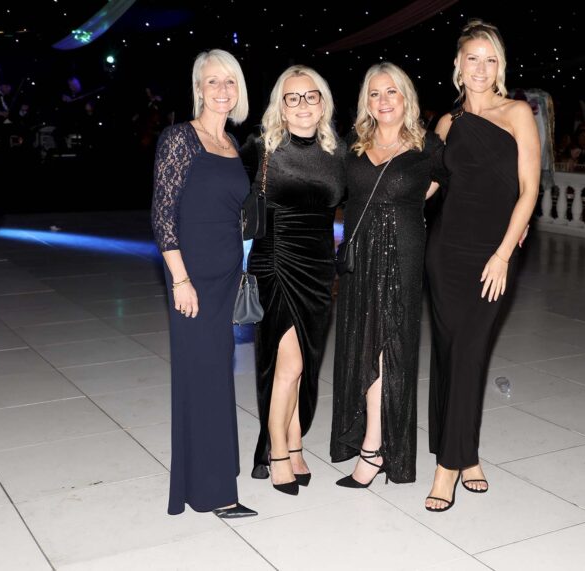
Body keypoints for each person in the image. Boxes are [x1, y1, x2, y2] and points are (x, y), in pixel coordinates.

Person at [424, 19, 540, 511]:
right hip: (444, 251)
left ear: (500, 66)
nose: (481, 68)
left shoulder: (517, 113)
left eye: (490, 60)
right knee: (449, 354)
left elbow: (529, 190)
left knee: (471, 353)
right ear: (458, 64)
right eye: (472, 58)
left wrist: (503, 253)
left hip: (493, 253)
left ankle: (447, 468)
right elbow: (428, 186)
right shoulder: (446, 124)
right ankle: (464, 454)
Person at [151, 49, 256, 519]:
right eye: (212, 81)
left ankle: (212, 476)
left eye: (229, 81)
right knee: (203, 375)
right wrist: (180, 280)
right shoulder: (180, 138)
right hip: (192, 276)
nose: (221, 90)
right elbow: (162, 216)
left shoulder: (233, 144)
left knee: (216, 373)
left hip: (227, 274)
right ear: (198, 88)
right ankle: (214, 493)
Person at [330, 62, 444, 487]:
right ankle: (371, 440)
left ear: (405, 96)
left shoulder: (428, 145)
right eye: (375, 93)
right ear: (367, 101)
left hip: (402, 253)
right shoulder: (353, 143)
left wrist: (410, 202)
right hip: (360, 255)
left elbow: (448, 181)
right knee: (363, 343)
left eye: (391, 91)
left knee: (387, 345)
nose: (383, 100)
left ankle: (374, 448)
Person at [239, 65, 346, 494]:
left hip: (319, 269)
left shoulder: (339, 151)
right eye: (292, 97)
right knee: (290, 364)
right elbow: (221, 190)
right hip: (277, 263)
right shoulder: (260, 147)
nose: (303, 105)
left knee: (305, 363)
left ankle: (296, 444)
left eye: (310, 96)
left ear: (323, 103)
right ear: (280, 107)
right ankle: (277, 452)